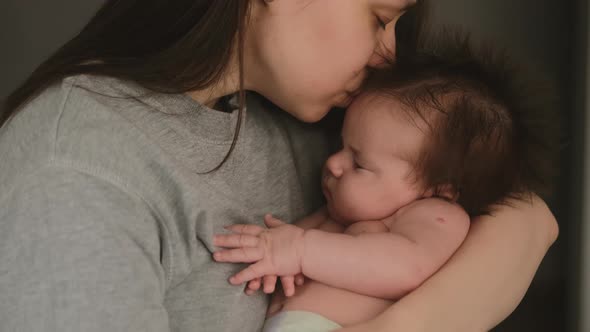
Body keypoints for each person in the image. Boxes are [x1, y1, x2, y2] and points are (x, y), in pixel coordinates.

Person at [0, 1, 558, 332]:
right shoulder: (78, 170)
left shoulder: (315, 124)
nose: (389, 52)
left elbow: (529, 220)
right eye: (379, 17)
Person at [212, 31, 558, 331]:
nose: (333, 163)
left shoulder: (433, 216)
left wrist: (299, 251)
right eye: (341, 147)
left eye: (359, 163)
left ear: (437, 191)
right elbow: (294, 251)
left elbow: (406, 267)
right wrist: (273, 254)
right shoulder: (342, 214)